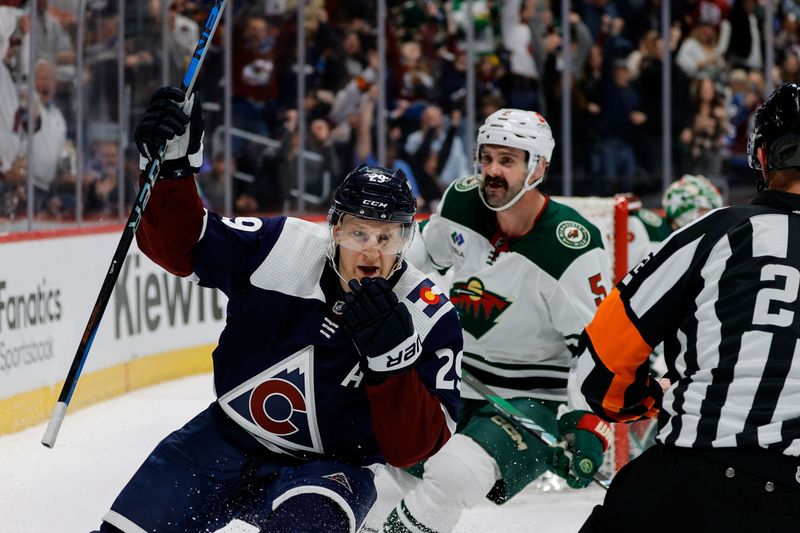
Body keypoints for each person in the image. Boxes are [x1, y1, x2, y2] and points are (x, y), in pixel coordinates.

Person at [95, 87, 464, 533]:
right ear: (333, 229)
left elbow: (416, 449)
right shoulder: (283, 245)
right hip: (224, 437)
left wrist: (392, 367)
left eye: (387, 237)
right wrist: (171, 171)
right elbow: (182, 246)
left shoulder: (428, 314)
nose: (372, 252)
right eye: (357, 234)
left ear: (407, 239)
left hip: (329, 470)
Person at [364, 108, 615, 533]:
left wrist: (587, 421)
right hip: (455, 376)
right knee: (385, 460)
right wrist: (375, 292)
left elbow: (598, 347)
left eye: (508, 161)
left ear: (538, 168)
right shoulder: (462, 201)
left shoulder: (572, 246)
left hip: (534, 396)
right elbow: (417, 261)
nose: (492, 172)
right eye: (487, 158)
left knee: (455, 474)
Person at [572, 83, 800, 533]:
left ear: (761, 158)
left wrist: (644, 398)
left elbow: (600, 364)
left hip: (694, 483)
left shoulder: (719, 232)